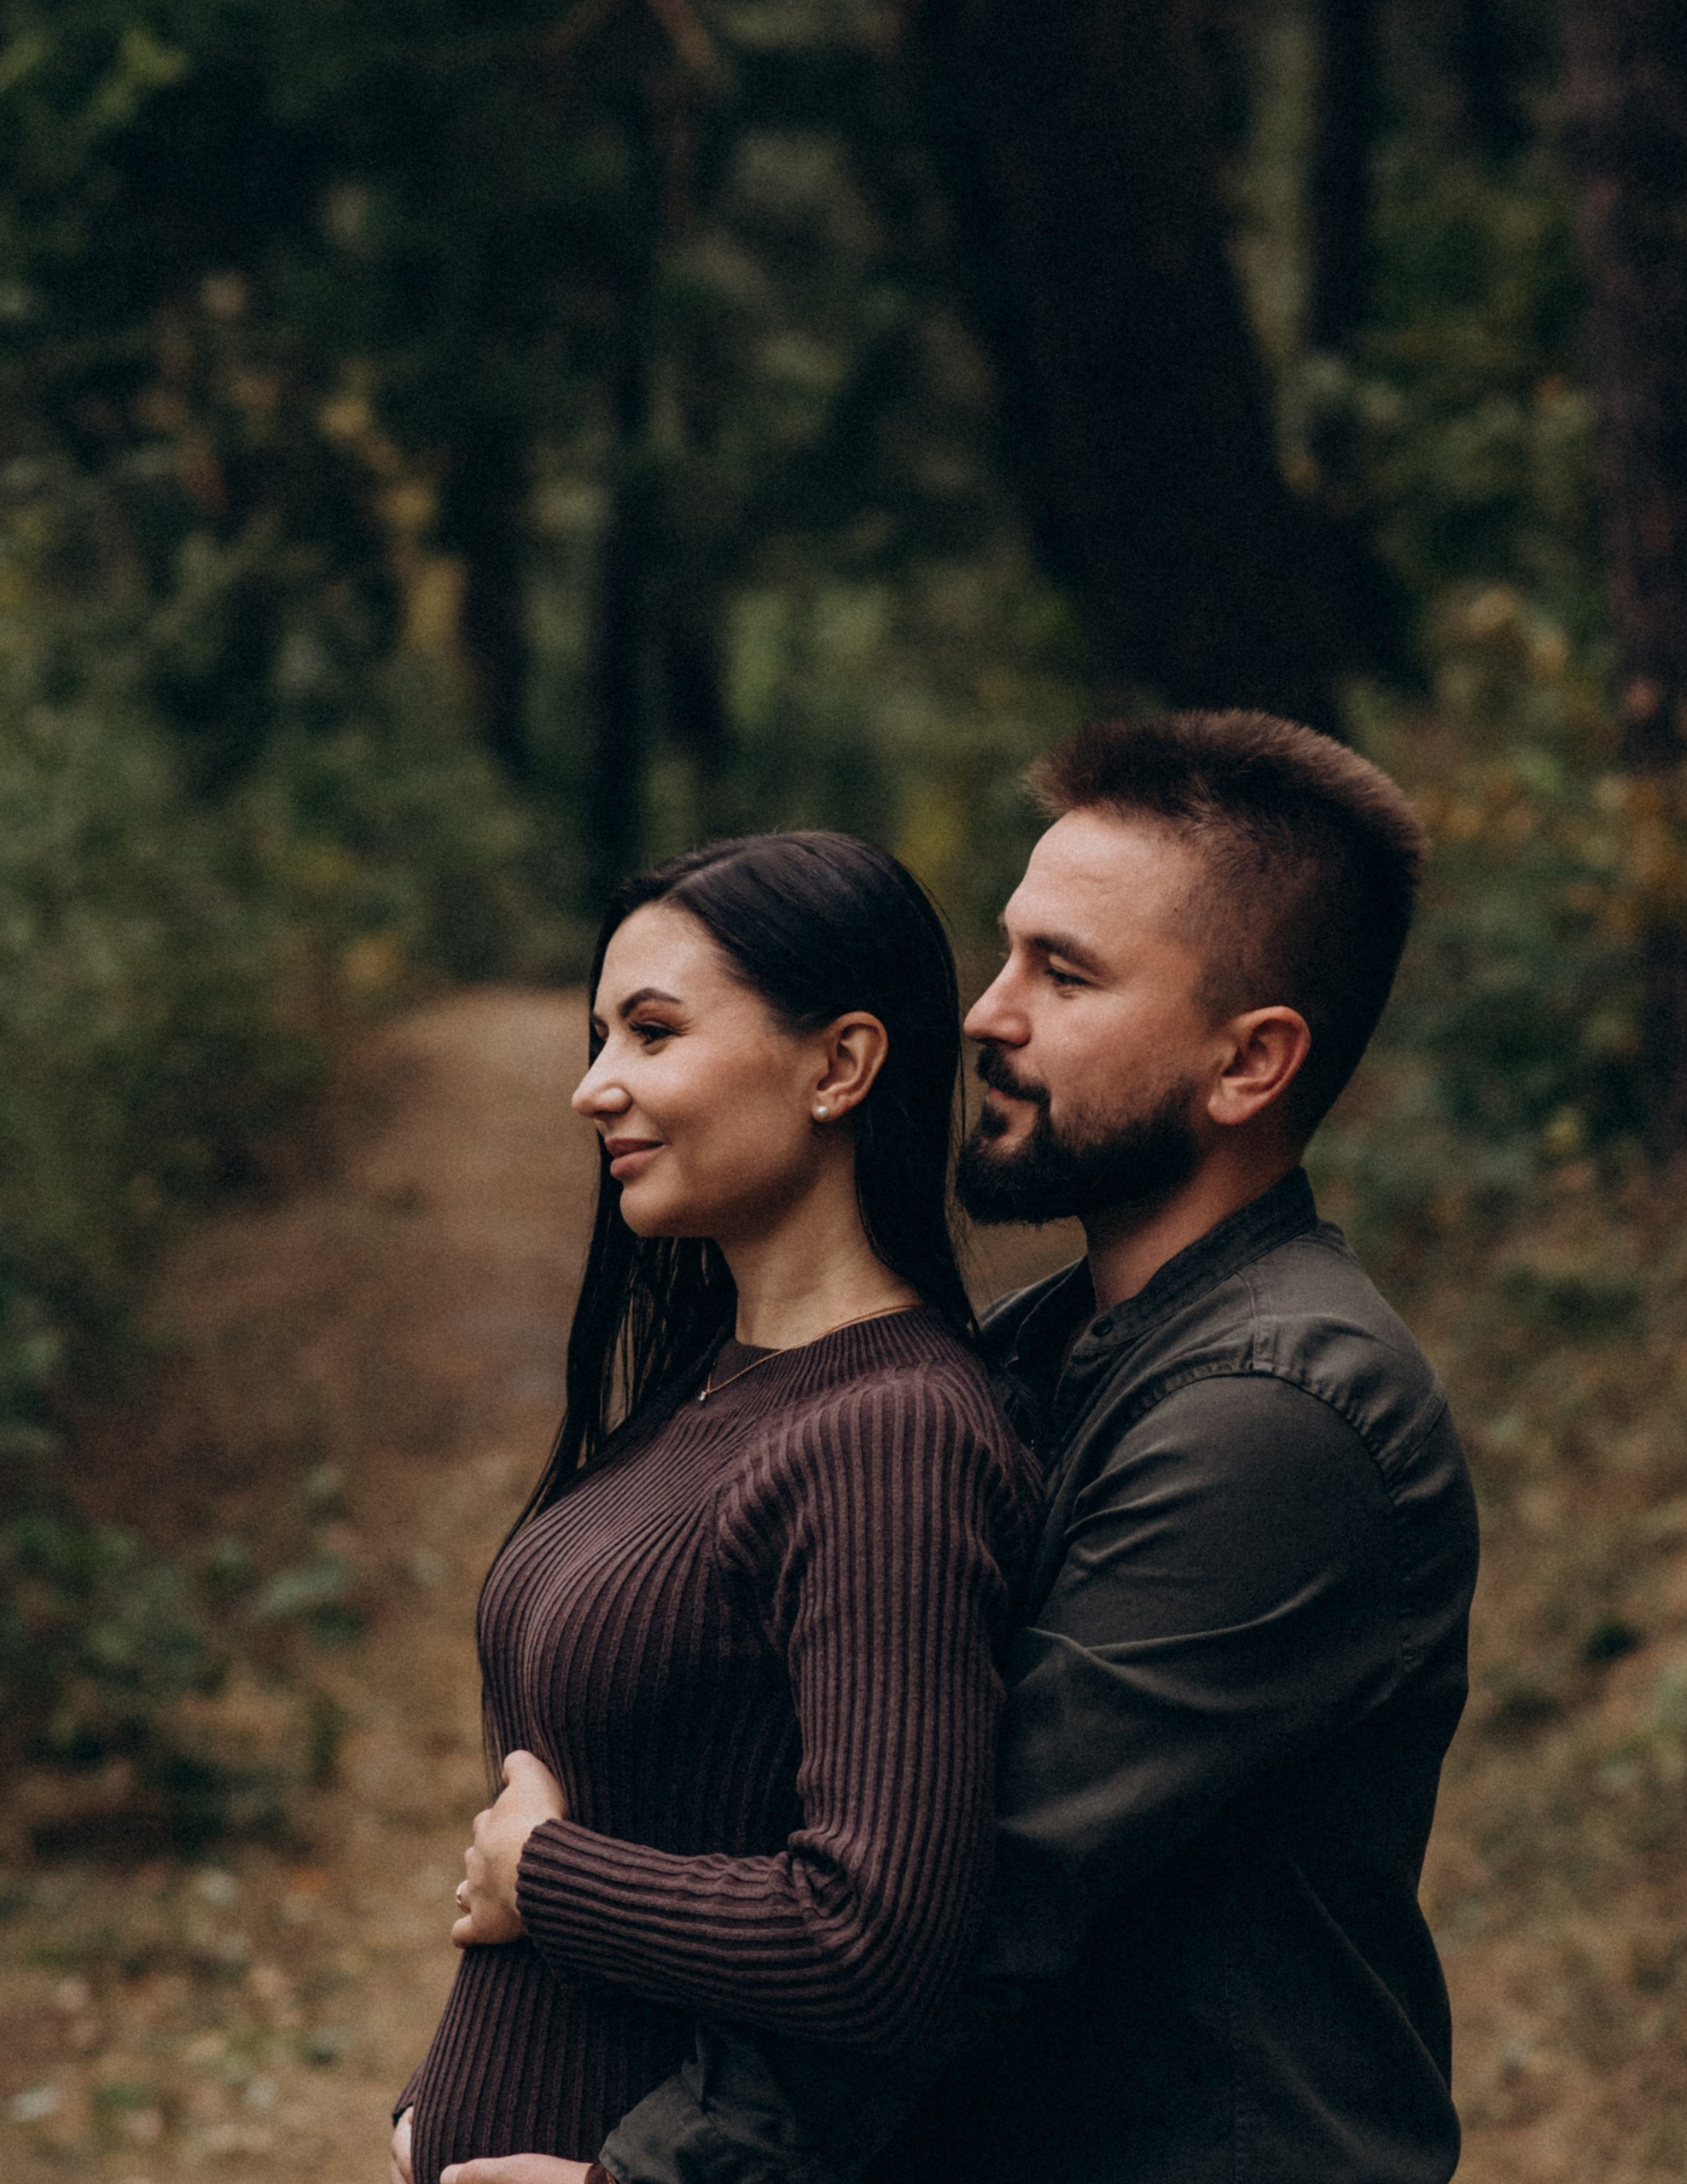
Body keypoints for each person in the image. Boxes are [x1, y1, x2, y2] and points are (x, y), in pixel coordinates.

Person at [431, 709, 1480, 2184]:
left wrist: (644, 2168)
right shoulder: (1041, 1347)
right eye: (1008, 952)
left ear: (1250, 1064)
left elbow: (969, 1895)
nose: (986, 1013)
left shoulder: (1279, 1418)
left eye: (1066, 974)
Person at [388, 832, 1044, 2184]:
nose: (592, 1090)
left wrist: (550, 1876)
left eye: (651, 1033)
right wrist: (433, 2102)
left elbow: (873, 1937)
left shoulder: (893, 1435)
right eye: (595, 1036)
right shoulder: (711, 1390)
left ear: (841, 1066)